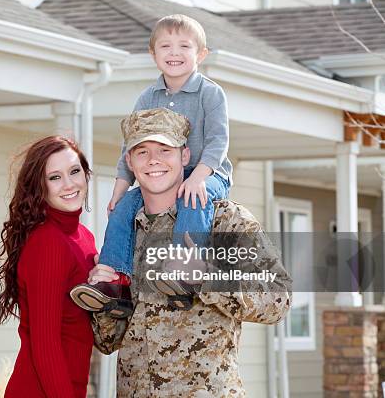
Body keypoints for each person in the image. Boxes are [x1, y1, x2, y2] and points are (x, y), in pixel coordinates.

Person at [75, 108, 292, 396]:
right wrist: (104, 304)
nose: (154, 160)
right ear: (129, 161)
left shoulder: (223, 220)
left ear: (185, 156)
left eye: (165, 149)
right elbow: (107, 342)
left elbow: (278, 299)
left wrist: (206, 277)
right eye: (142, 151)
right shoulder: (125, 232)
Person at [73, 14, 234, 315]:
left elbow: (217, 142)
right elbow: (130, 146)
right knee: (122, 208)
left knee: (192, 198)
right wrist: (120, 188)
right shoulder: (148, 97)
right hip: (161, 177)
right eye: (165, 46)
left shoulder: (210, 93)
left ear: (201, 54)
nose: (174, 53)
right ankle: (113, 278)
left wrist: (198, 177)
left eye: (184, 46)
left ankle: (185, 272)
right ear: (153, 54)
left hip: (208, 173)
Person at [0, 136, 97, 398]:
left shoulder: (84, 237)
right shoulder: (48, 243)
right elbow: (45, 343)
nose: (69, 184)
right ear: (39, 186)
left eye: (74, 171)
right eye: (55, 177)